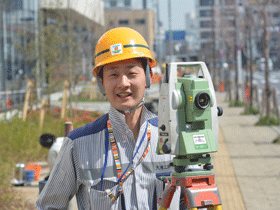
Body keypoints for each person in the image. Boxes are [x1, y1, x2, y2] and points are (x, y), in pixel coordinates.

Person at [36, 27, 180, 209]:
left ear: (149, 77)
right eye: (113, 74)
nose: (123, 83)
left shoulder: (176, 139)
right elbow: (49, 206)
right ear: (101, 82)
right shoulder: (78, 144)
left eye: (131, 73)